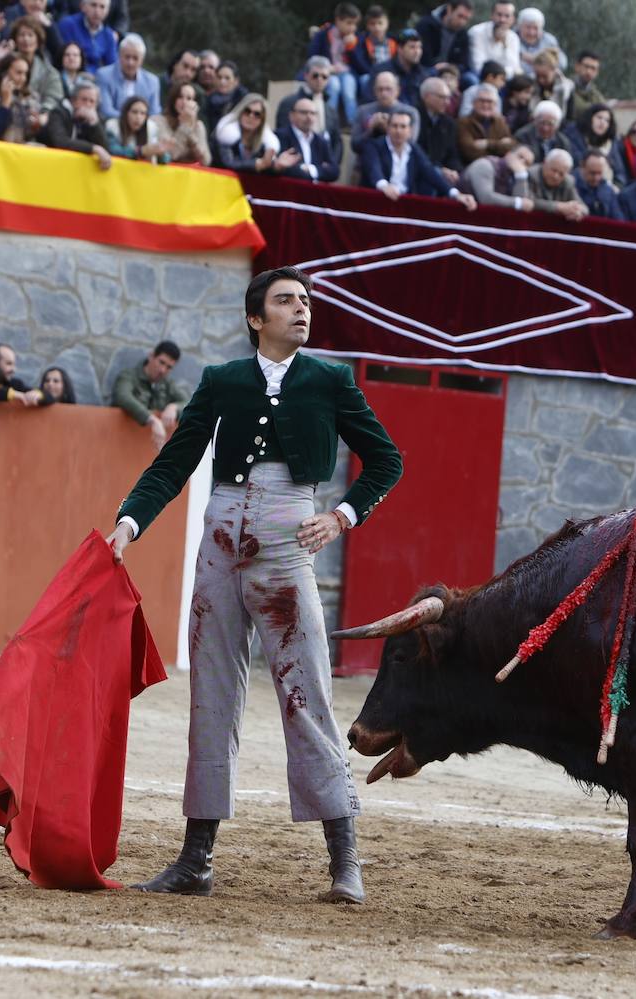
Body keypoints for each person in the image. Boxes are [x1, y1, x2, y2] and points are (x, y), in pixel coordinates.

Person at [106, 266, 403, 904]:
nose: (302, 310)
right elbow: (177, 458)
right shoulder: (222, 381)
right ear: (255, 318)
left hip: (288, 539)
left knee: (308, 694)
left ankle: (345, 862)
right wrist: (131, 522)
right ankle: (196, 860)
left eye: (306, 301)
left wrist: (341, 515)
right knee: (210, 693)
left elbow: (386, 459)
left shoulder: (329, 379)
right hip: (219, 539)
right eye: (286, 301)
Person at [361, 109, 477, 209]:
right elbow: (373, 168)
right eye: (394, 126)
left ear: (410, 131)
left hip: (403, 204)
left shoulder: (414, 149)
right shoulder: (373, 146)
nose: (398, 131)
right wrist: (384, 185)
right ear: (388, 128)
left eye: (403, 126)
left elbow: (430, 172)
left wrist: (456, 194)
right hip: (379, 201)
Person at [111, 340, 190, 449]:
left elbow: (189, 403)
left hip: (149, 449)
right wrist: (151, 419)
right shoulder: (129, 376)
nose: (163, 370)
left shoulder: (167, 384)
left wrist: (174, 407)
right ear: (151, 356)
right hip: (120, 443)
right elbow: (123, 396)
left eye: (169, 367)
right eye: (161, 362)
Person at [214, 93, 298, 175]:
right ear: (240, 112)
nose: (251, 116)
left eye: (257, 114)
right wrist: (257, 164)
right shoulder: (226, 134)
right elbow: (227, 163)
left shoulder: (265, 142)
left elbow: (265, 170)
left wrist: (276, 166)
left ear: (262, 120)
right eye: (247, 111)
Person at [305, 3, 359, 127]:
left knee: (348, 89)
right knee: (333, 86)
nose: (352, 27)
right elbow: (312, 56)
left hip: (347, 74)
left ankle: (354, 124)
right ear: (338, 20)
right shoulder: (323, 35)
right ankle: (330, 123)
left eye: (355, 24)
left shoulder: (355, 38)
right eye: (349, 23)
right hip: (327, 73)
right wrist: (325, 67)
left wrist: (351, 48)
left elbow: (359, 65)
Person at [41, 76, 112, 169]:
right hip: (49, 165)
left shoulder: (96, 119)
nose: (88, 105)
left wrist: (94, 124)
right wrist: (93, 148)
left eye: (92, 101)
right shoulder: (58, 113)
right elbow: (61, 142)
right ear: (73, 101)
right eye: (84, 99)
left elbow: (105, 149)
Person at [0, 52, 44, 143]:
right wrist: (5, 103)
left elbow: (28, 134)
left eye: (25, 74)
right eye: (19, 73)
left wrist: (37, 124)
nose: (23, 78)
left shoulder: (30, 97)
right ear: (4, 73)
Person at [274, 95, 341, 183]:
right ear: (291, 115)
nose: (309, 117)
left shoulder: (321, 141)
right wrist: (319, 169)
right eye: (304, 112)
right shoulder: (280, 136)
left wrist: (309, 169)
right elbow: (283, 168)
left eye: (312, 113)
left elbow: (334, 171)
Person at [350, 71, 419, 156]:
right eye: (380, 89)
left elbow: (410, 144)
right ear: (374, 91)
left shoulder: (410, 113)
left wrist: (389, 128)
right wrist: (371, 130)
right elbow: (354, 146)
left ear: (397, 90)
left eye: (388, 89)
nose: (384, 93)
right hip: (367, 161)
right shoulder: (363, 111)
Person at [96, 32, 159, 122]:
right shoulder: (104, 75)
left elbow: (154, 113)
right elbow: (106, 111)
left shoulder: (152, 81)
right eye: (127, 57)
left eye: (135, 58)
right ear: (119, 56)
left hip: (142, 130)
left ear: (142, 60)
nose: (130, 63)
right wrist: (133, 120)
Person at [8, 14, 61, 111]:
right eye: (21, 35)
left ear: (38, 41)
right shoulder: (5, 66)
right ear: (15, 40)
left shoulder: (50, 73)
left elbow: (54, 98)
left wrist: (42, 113)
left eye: (30, 35)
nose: (26, 39)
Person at [416, 76, 462, 185]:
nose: (447, 102)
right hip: (419, 172)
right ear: (427, 97)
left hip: (443, 173)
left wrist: (454, 170)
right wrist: (440, 169)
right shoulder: (414, 117)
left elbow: (452, 154)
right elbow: (417, 153)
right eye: (442, 97)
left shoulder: (449, 123)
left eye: (448, 98)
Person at [460, 143, 534, 210]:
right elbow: (486, 198)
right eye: (520, 157)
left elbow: (523, 206)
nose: (521, 162)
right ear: (508, 154)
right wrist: (518, 203)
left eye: (527, 163)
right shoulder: (485, 165)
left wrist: (521, 176)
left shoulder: (519, 176)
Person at [567, 102, 624, 187]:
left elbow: (620, 173)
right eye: (599, 117)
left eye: (607, 120)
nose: (602, 122)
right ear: (590, 118)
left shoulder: (611, 143)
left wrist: (617, 187)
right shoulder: (574, 137)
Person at [154, 81, 211, 166]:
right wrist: (184, 126)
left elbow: (206, 161)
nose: (184, 102)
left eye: (189, 98)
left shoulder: (198, 125)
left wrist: (190, 132)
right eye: (180, 97)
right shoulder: (158, 121)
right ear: (173, 100)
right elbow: (171, 155)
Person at [456, 80, 513, 163]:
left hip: (499, 167)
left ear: (495, 105)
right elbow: (470, 152)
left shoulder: (500, 122)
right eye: (482, 101)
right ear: (474, 103)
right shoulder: (463, 122)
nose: (485, 105)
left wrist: (487, 144)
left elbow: (511, 146)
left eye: (489, 102)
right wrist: (500, 145)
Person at [276, 55, 336, 134]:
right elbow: (283, 135)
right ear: (306, 76)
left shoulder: (330, 110)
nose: (319, 79)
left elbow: (336, 142)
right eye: (315, 76)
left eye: (324, 77)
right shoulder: (289, 104)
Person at [348, 4, 394, 101]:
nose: (376, 27)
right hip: (370, 74)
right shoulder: (361, 41)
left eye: (380, 23)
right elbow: (360, 63)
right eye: (372, 24)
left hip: (391, 75)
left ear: (387, 23)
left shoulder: (393, 42)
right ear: (367, 25)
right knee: (365, 79)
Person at [56, 0, 116, 73]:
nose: (97, 11)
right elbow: (65, 59)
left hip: (97, 79)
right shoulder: (67, 25)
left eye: (102, 7)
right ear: (83, 6)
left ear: (107, 11)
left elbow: (112, 66)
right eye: (93, 5)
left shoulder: (108, 35)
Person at [106, 95, 168, 162]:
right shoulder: (112, 126)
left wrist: (161, 154)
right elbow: (112, 150)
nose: (138, 117)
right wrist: (140, 151)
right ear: (126, 113)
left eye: (143, 113)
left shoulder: (151, 129)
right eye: (134, 112)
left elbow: (166, 159)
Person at [417, 1, 473, 75]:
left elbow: (464, 64)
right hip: (427, 69)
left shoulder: (462, 34)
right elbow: (422, 57)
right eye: (460, 16)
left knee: (470, 78)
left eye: (466, 19)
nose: (462, 22)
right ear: (449, 9)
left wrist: (450, 67)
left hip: (452, 73)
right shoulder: (427, 25)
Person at [529, 148, 585, 220]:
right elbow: (529, 201)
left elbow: (584, 207)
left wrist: (577, 211)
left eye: (561, 174)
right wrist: (558, 207)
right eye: (553, 170)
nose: (556, 176)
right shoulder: (531, 174)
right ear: (544, 163)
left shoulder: (568, 181)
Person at [468, 0, 519, 79]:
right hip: (479, 76)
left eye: (507, 16)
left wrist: (504, 44)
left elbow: (513, 67)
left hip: (503, 78)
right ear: (491, 15)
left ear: (513, 19)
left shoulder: (513, 38)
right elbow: (477, 66)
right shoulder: (477, 32)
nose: (502, 20)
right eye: (499, 15)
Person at [515, 6, 565, 72]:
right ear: (519, 26)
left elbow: (562, 64)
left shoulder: (549, 40)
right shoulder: (512, 37)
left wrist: (540, 60)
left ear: (541, 28)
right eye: (528, 27)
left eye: (535, 28)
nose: (531, 33)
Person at [574, 149, 619, 218]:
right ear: (582, 167)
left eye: (600, 173)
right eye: (592, 173)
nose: (596, 178)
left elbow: (617, 217)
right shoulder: (571, 186)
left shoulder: (608, 190)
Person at [566, 49, 603, 124]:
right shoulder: (566, 87)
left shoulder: (597, 97)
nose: (589, 71)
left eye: (593, 68)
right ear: (577, 66)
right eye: (586, 66)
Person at [528, 49, 570, 115]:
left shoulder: (566, 87)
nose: (541, 80)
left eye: (544, 76)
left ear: (553, 70)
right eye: (538, 76)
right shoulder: (530, 83)